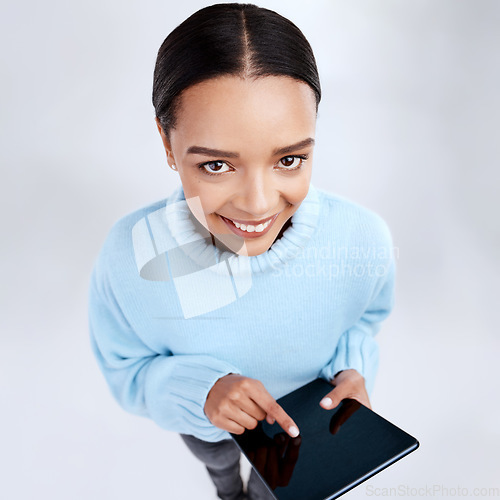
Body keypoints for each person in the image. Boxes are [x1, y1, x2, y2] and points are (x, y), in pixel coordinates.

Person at [87, 3, 396, 499]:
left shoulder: (362, 238)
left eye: (290, 159)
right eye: (216, 166)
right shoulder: (130, 256)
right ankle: (225, 486)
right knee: (217, 460)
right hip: (203, 425)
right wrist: (201, 394)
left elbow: (364, 320)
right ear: (168, 144)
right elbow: (126, 369)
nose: (257, 205)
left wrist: (352, 368)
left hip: (303, 428)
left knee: (276, 488)